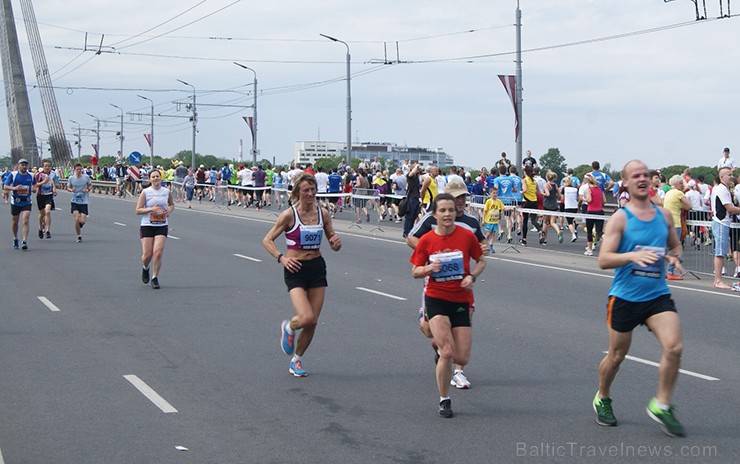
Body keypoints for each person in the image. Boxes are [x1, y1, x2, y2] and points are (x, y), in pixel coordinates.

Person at [593, 159, 686, 437]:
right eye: (636, 176)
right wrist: (632, 255)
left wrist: (674, 256)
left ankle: (662, 403)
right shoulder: (621, 218)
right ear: (626, 182)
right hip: (624, 296)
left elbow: (676, 244)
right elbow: (604, 259)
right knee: (618, 355)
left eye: (646, 174)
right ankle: (603, 397)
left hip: (657, 295)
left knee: (674, 347)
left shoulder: (663, 216)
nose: (642, 179)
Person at [409, 193, 486, 418]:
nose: (447, 214)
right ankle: (444, 399)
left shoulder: (466, 236)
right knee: (448, 352)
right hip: (437, 298)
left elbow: (482, 260)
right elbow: (414, 271)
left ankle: (440, 346)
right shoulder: (426, 240)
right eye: (442, 210)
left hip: (461, 299)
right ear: (435, 214)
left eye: (451, 210)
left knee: (461, 358)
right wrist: (427, 269)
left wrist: (471, 276)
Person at [262, 173, 342, 377]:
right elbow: (267, 240)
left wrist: (335, 244)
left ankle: (296, 360)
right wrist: (282, 258)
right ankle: (289, 326)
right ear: (297, 191)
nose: (310, 194)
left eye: (313, 190)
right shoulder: (289, 215)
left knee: (313, 321)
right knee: (305, 317)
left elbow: (333, 242)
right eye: (306, 190)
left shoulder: (322, 213)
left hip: (316, 268)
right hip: (295, 269)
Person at [136, 169, 175, 289]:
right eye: (153, 177)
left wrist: (168, 210)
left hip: (161, 225)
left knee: (157, 253)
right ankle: (145, 268)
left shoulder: (166, 191)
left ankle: (154, 277)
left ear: (161, 178)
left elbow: (172, 204)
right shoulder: (146, 192)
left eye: (157, 176)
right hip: (147, 224)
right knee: (147, 255)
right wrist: (151, 209)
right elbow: (138, 210)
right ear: (150, 179)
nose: (155, 178)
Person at [710, 167, 740, 290]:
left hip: (722, 222)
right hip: (721, 222)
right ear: (721, 177)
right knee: (720, 252)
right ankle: (718, 280)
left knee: (721, 252)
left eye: (732, 174)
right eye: (729, 174)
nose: (731, 176)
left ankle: (718, 279)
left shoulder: (724, 189)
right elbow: (729, 208)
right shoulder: (722, 189)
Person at [662, 175, 691, 280]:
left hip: (666, 222)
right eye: (681, 183)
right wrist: (681, 206)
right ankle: (670, 271)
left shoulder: (668, 193)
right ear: (677, 184)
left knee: (665, 247)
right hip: (675, 222)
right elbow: (689, 205)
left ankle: (663, 271)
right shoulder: (679, 193)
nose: (682, 185)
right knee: (674, 248)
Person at [3, 159, 36, 250]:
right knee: (15, 221)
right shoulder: (13, 175)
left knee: (25, 220)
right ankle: (15, 238)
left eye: (25, 165)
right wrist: (15, 188)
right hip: (16, 201)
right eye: (22, 165)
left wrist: (34, 188)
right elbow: (5, 186)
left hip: (27, 201)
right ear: (18, 165)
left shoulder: (32, 175)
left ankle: (24, 241)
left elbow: (35, 184)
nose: (24, 166)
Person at [66, 163, 92, 243]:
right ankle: (79, 236)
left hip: (84, 201)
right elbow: (67, 187)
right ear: (74, 170)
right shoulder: (71, 178)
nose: (79, 171)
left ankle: (79, 225)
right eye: (77, 169)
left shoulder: (86, 177)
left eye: (80, 169)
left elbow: (90, 185)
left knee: (82, 221)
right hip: (75, 201)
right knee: (76, 218)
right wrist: (71, 190)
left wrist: (87, 190)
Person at [583, 174, 606, 256]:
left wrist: (583, 199)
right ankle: (607, 240)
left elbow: (589, 200)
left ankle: (589, 249)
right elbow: (604, 201)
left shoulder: (588, 190)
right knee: (599, 231)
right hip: (600, 211)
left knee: (589, 231)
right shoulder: (600, 190)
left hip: (591, 211)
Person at [35, 159, 57, 239]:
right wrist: (43, 182)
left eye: (49, 166)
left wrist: (54, 189)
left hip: (49, 195)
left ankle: (47, 230)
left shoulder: (53, 174)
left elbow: (53, 182)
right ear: (42, 167)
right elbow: (35, 185)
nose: (47, 167)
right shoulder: (39, 175)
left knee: (47, 211)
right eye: (45, 166)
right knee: (41, 214)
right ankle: (40, 228)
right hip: (41, 195)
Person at [483, 186, 505, 253]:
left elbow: (503, 208)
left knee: (493, 234)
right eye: (494, 193)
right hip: (489, 221)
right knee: (488, 234)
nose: (495, 194)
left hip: (495, 221)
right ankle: (483, 244)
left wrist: (511, 208)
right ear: (490, 193)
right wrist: (483, 220)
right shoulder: (488, 201)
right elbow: (485, 211)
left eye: (496, 193)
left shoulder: (499, 201)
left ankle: (491, 246)